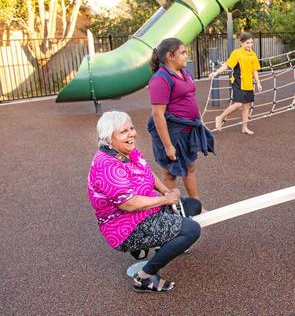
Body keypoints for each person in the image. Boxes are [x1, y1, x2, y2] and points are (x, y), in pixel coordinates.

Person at [88, 111, 202, 293]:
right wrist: (165, 200)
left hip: (144, 211)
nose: (132, 134)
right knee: (191, 230)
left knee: (193, 206)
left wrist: (167, 191)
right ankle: (145, 276)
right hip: (124, 225)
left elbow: (147, 172)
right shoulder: (106, 165)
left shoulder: (126, 151)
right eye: (124, 131)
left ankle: (150, 245)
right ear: (109, 138)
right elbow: (129, 204)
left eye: (131, 128)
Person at [148, 38, 215, 199]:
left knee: (190, 167)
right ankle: (172, 211)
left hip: (188, 130)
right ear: (170, 56)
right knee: (170, 173)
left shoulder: (184, 72)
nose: (186, 56)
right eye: (183, 52)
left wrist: (200, 121)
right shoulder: (160, 79)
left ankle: (196, 206)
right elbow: (158, 114)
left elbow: (190, 98)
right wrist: (168, 146)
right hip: (171, 133)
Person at [210, 32, 263, 135]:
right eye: (247, 42)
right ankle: (220, 117)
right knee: (238, 103)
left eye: (251, 42)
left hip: (248, 83)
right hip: (238, 82)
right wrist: (216, 72)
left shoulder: (253, 54)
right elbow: (227, 65)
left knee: (247, 105)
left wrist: (258, 83)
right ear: (241, 43)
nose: (250, 45)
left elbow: (255, 70)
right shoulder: (237, 53)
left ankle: (244, 127)